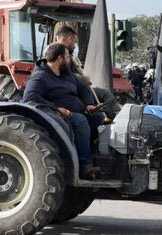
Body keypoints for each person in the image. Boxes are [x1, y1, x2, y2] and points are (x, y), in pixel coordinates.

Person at [22, 43, 104, 179]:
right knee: (80, 121)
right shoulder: (40, 76)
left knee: (98, 117)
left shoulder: (67, 74)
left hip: (76, 112)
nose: (69, 60)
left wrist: (89, 104)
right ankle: (85, 165)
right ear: (60, 58)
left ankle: (94, 152)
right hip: (55, 115)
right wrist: (57, 108)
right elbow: (30, 97)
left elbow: (84, 88)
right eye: (67, 57)